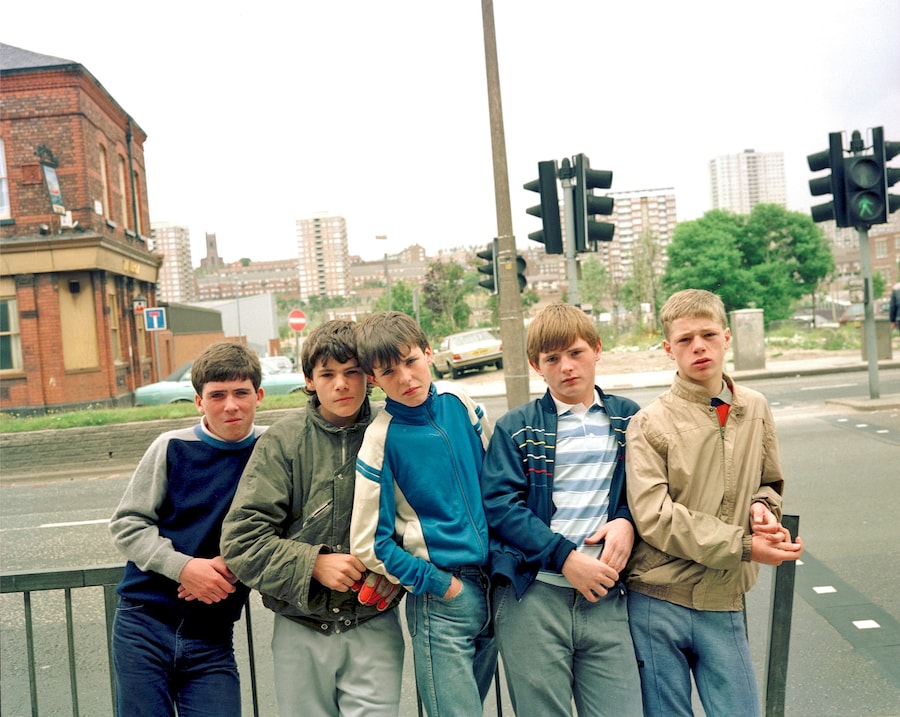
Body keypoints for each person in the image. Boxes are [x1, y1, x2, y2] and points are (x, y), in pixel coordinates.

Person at [625, 288, 804, 717]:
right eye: (685, 340)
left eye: (707, 334)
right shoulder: (649, 422)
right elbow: (655, 517)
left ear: (726, 337)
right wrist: (744, 547)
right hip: (657, 599)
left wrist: (764, 511)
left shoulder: (755, 407)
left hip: (724, 599)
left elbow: (769, 481)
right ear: (669, 349)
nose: (698, 346)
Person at [220, 320, 405, 717]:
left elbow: (423, 521)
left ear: (369, 376)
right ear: (308, 380)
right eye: (328, 374)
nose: (342, 384)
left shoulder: (396, 432)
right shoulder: (282, 442)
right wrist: (313, 564)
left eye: (352, 371)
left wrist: (396, 573)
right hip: (299, 627)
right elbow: (241, 541)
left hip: (374, 622)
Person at [480, 302, 643, 717]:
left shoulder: (629, 419)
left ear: (597, 349)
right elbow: (500, 506)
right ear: (537, 366)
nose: (567, 366)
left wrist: (626, 520)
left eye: (575, 353)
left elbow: (650, 490)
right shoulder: (517, 426)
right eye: (553, 358)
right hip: (535, 593)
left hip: (607, 597)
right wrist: (565, 557)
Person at [349, 311, 497, 717]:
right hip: (443, 600)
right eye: (388, 371)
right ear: (374, 380)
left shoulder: (459, 402)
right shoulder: (380, 439)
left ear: (428, 353)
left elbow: (498, 485)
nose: (405, 378)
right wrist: (437, 583)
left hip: (495, 586)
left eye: (411, 361)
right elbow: (367, 544)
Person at [109, 341, 267, 717]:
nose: (231, 405)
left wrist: (238, 564)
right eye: (217, 395)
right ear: (199, 402)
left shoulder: (271, 448)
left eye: (241, 393)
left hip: (212, 635)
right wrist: (184, 567)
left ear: (258, 396)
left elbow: (282, 528)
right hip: (143, 622)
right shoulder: (171, 447)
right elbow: (127, 523)